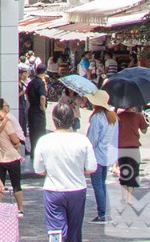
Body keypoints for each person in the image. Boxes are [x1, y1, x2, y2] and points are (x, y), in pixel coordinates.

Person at [35, 101, 98, 242]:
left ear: (54, 119)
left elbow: (38, 170)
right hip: (77, 189)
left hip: (53, 190)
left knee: (55, 231)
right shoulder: (82, 141)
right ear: (72, 119)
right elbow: (91, 168)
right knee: (75, 231)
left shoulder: (44, 141)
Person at [0, 97, 25, 218]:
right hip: (11, 157)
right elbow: (15, 140)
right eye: (6, 106)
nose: (7, 108)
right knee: (16, 184)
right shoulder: (8, 124)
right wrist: (18, 144)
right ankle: (20, 208)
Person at [84, 90, 117, 221]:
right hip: (107, 154)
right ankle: (104, 211)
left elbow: (92, 139)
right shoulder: (113, 117)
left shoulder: (97, 118)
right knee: (102, 184)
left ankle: (102, 213)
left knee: (97, 185)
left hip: (96, 155)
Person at [115, 102, 146, 205]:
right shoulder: (138, 116)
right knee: (133, 172)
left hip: (121, 146)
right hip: (133, 146)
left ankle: (123, 196)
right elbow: (144, 130)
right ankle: (130, 198)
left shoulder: (118, 116)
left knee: (124, 171)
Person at [25, 64, 48, 154]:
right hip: (38, 110)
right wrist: (42, 107)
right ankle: (39, 152)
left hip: (31, 109)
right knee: (40, 132)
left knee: (32, 132)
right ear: (44, 72)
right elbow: (42, 97)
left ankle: (33, 151)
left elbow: (26, 93)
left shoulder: (31, 82)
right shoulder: (40, 83)